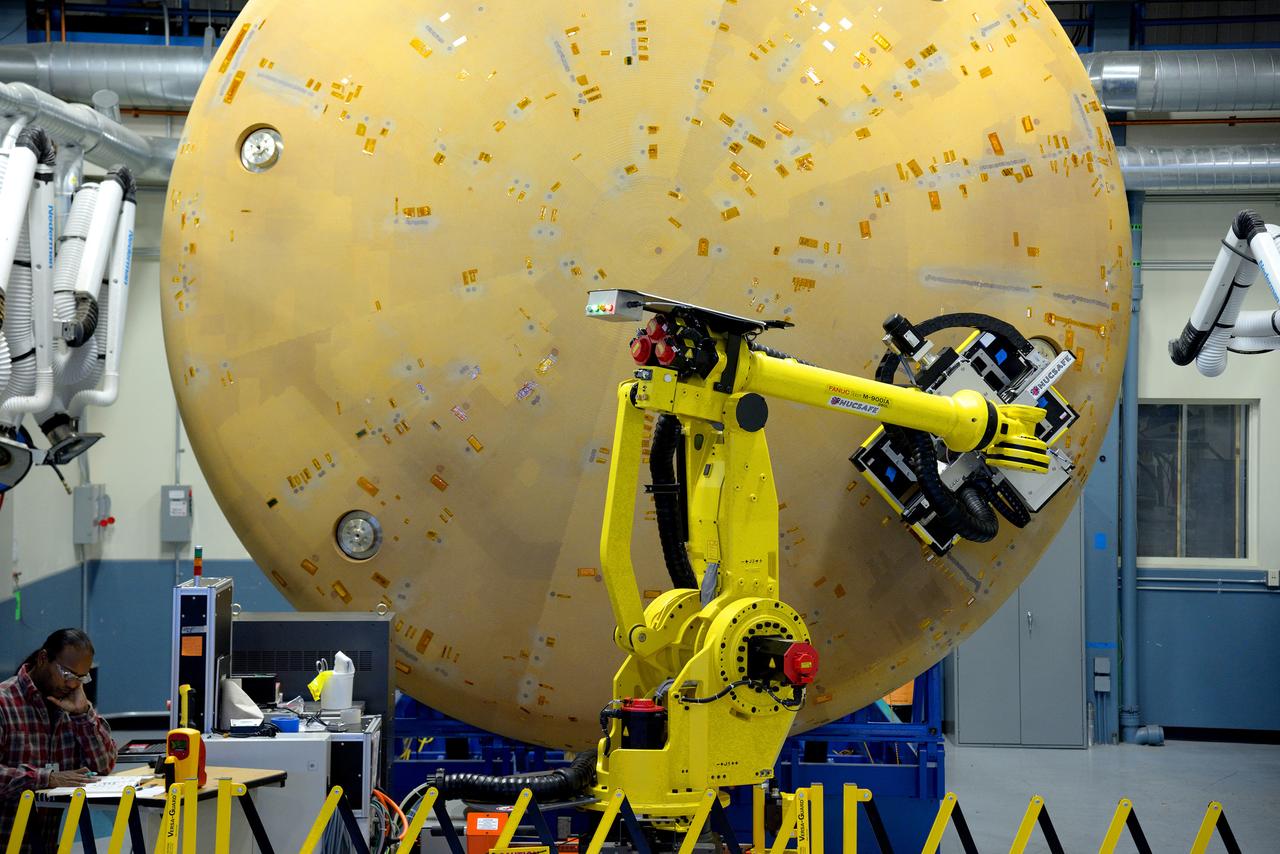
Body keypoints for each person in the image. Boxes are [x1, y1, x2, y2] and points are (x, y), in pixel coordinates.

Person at [0, 628, 117, 850]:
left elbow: (104, 766)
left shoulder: (72, 708)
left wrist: (83, 715)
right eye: (67, 674)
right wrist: (47, 779)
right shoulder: (4, 703)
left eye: (81, 678)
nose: (73, 685)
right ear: (44, 659)